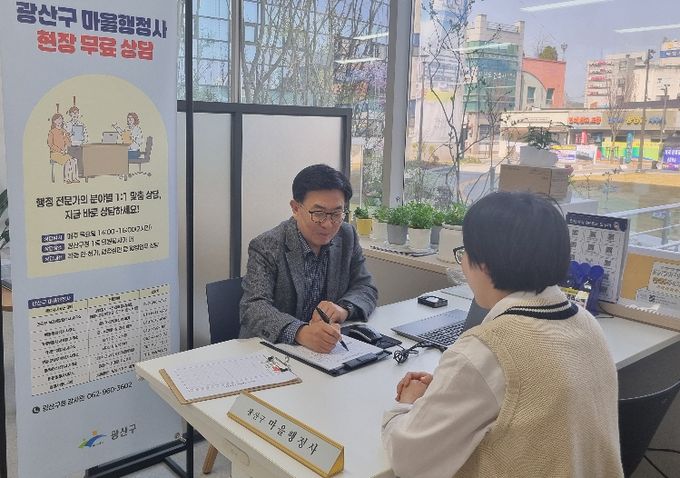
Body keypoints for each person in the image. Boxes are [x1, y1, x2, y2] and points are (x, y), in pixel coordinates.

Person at [381, 191, 623, 478]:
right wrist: (450, 392)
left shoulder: (485, 351)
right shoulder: (586, 323)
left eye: (465, 252)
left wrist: (408, 404)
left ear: (484, 264)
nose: (463, 263)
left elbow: (408, 459)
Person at [239, 164, 378, 353]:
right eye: (318, 214)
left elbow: (366, 287)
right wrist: (300, 332)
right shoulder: (267, 245)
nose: (328, 224)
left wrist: (343, 309)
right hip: (272, 351)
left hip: (326, 352)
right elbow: (253, 306)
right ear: (296, 208)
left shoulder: (347, 236)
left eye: (336, 214)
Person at [47, 113, 79, 184]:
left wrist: (67, 137)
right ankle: (66, 179)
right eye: (57, 119)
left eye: (61, 119)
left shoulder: (63, 131)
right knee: (67, 161)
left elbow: (69, 143)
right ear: (54, 121)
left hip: (63, 153)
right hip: (55, 153)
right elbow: (50, 144)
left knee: (74, 160)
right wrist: (60, 150)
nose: (59, 121)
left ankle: (74, 178)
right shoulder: (52, 132)